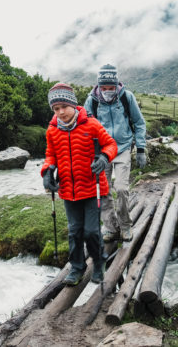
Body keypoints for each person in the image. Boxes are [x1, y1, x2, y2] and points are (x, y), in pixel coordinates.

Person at [41, 83, 118, 286]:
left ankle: (99, 263)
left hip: (93, 188)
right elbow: (51, 155)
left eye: (64, 107)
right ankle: (77, 268)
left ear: (73, 105)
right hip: (67, 189)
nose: (61, 112)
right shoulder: (52, 130)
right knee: (74, 230)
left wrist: (103, 157)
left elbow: (111, 144)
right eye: (56, 109)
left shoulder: (91, 125)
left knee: (92, 231)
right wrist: (47, 172)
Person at [84, 64, 147, 242]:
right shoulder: (92, 101)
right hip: (102, 152)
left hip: (123, 147)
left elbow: (139, 122)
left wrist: (141, 149)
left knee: (121, 188)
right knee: (103, 191)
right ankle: (111, 227)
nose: (108, 91)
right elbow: (86, 128)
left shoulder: (126, 97)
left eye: (111, 88)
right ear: (99, 86)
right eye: (104, 88)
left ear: (116, 84)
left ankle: (126, 226)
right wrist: (90, 154)